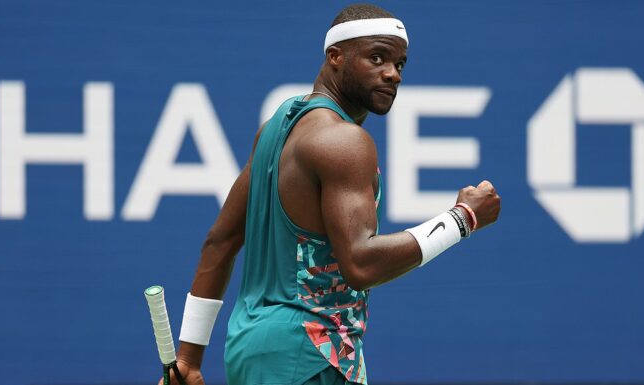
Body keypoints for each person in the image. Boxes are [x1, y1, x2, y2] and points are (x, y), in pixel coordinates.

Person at [160, 3, 501, 385]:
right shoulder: (345, 141)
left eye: (400, 64)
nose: (393, 74)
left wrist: (189, 358)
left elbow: (219, 242)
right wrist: (463, 219)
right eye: (377, 57)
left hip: (251, 350)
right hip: (311, 354)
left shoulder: (278, 126)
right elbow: (361, 264)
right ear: (335, 57)